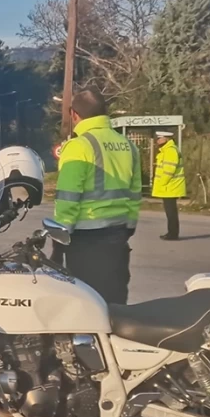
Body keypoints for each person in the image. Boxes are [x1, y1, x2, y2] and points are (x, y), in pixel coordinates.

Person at [54, 88, 142, 304]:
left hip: (86, 238)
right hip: (118, 234)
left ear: (75, 114)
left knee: (88, 304)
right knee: (115, 300)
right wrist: (129, 226)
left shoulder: (79, 146)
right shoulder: (128, 146)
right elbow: (134, 193)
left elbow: (68, 198)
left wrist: (58, 241)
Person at [153, 131, 186, 241]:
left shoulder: (170, 150)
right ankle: (171, 232)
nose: (157, 140)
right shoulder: (167, 150)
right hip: (169, 186)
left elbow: (169, 170)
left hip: (170, 186)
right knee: (170, 212)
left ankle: (172, 234)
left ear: (166, 138)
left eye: (159, 138)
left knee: (171, 212)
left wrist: (162, 183)